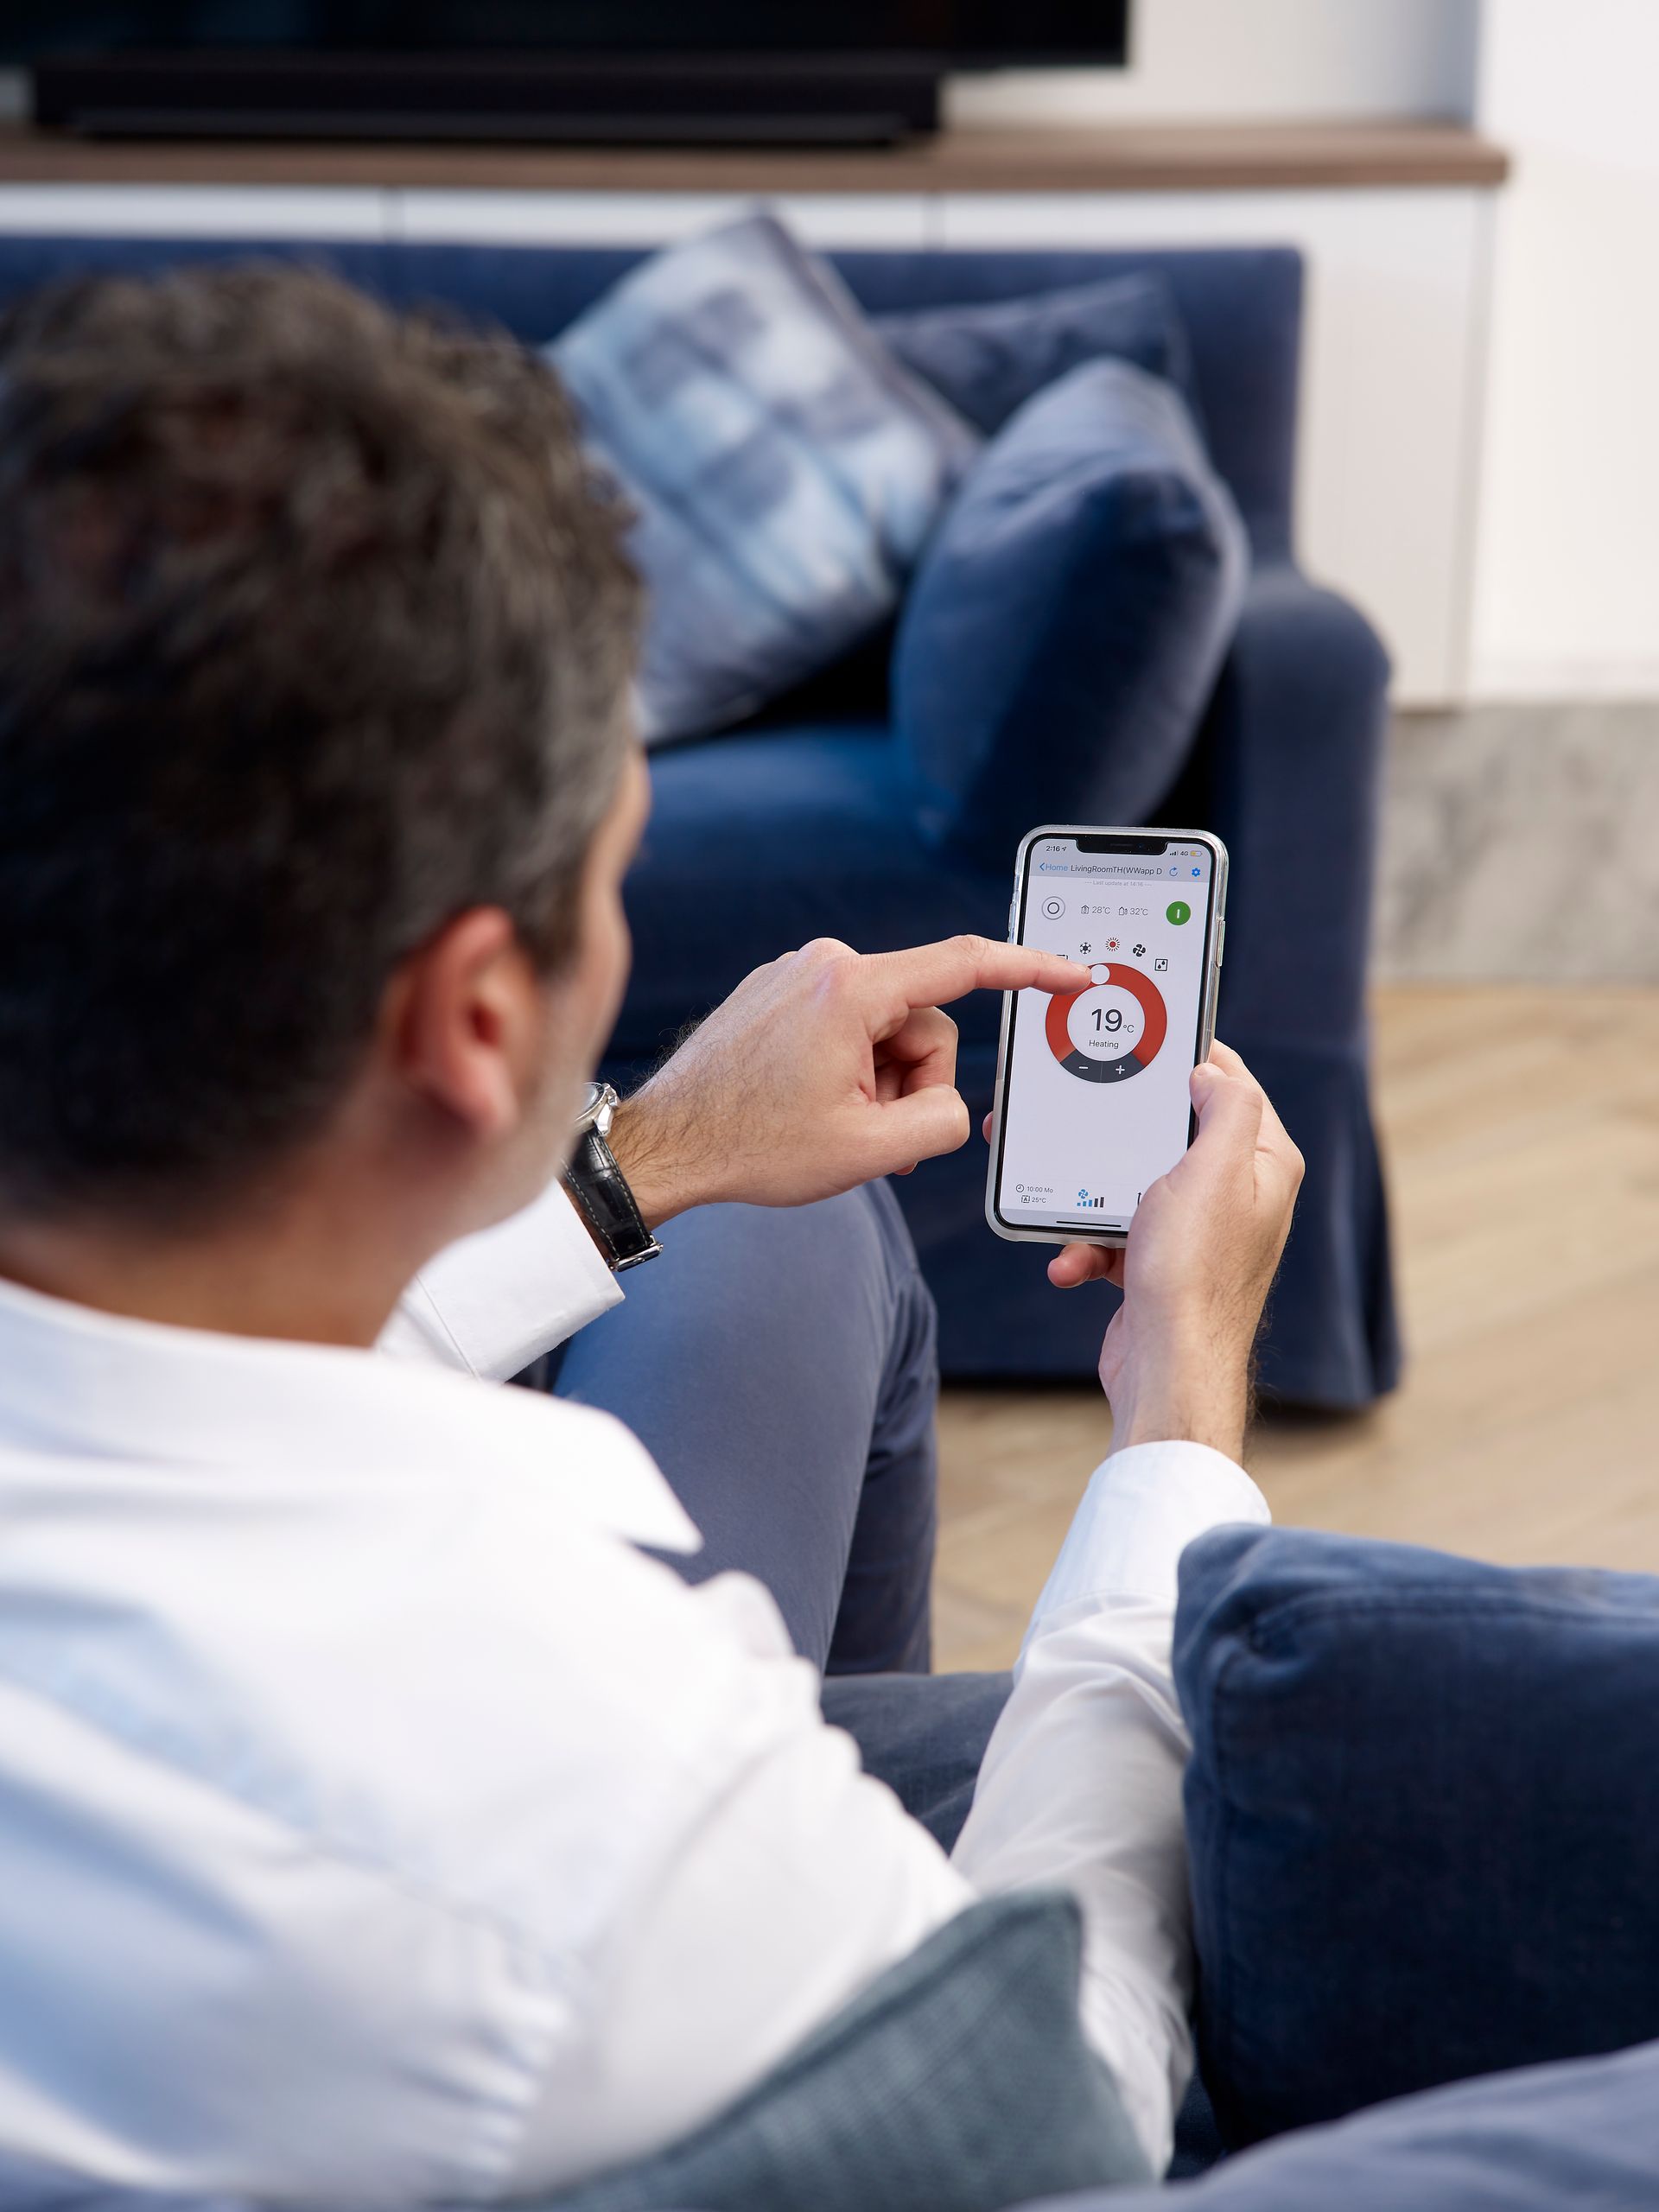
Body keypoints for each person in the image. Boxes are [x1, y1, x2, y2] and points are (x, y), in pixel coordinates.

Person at [0, 265, 1302, 2200]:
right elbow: (1075, 2109)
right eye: (611, 877)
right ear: (474, 1019)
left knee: (782, 1233)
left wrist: (647, 1158)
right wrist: (1177, 1433)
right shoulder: (584, 1761)